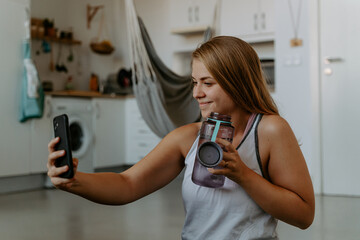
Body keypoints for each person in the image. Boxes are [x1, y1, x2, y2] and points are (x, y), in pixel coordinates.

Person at [47, 36, 315, 239]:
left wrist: (243, 175)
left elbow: (303, 215)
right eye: (194, 82)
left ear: (238, 82)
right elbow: (126, 183)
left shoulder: (270, 131)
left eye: (207, 83)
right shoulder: (187, 137)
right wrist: (74, 180)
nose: (197, 93)